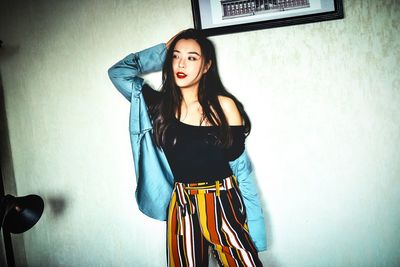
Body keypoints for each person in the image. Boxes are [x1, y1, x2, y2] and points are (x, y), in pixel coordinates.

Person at [108, 29, 266, 267]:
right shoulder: (157, 106)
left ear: (206, 66)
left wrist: (255, 227)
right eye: (176, 56)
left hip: (221, 200)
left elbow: (241, 170)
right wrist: (163, 51)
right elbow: (118, 73)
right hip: (181, 203)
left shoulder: (224, 106)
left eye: (192, 57)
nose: (181, 63)